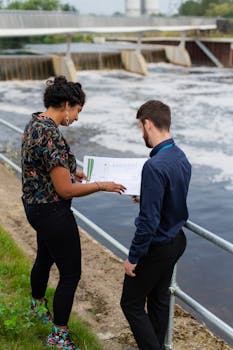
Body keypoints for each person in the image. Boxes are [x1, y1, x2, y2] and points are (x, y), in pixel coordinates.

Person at [21, 75, 126, 350]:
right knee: (70, 274)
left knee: (44, 259)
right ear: (67, 104)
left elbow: (47, 167)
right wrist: (100, 184)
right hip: (53, 212)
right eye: (78, 111)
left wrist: (76, 172)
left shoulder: (36, 123)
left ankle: (36, 308)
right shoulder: (52, 135)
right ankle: (58, 337)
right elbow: (65, 190)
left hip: (34, 206)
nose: (77, 118)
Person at [120, 100, 191, 350]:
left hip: (156, 247)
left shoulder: (153, 165)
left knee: (130, 303)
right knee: (159, 299)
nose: (141, 133)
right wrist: (148, 195)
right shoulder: (180, 157)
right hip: (177, 240)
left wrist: (133, 257)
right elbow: (174, 195)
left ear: (147, 124)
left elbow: (148, 223)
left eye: (140, 126)